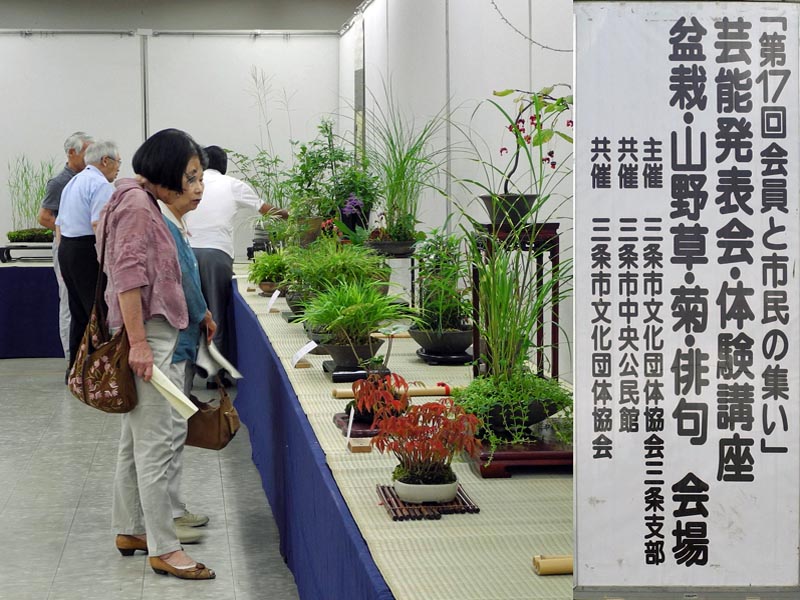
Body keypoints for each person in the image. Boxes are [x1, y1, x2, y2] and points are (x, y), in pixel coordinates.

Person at [98, 128, 215, 580]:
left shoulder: (138, 201)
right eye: (190, 176)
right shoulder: (136, 206)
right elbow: (127, 276)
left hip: (151, 330)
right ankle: (165, 548)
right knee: (157, 441)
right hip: (149, 331)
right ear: (166, 171)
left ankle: (131, 528)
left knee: (136, 441)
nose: (195, 186)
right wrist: (141, 343)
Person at [184, 145, 287, 387]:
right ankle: (215, 377)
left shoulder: (189, 184)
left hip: (186, 254)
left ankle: (185, 380)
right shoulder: (232, 184)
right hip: (216, 255)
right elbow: (267, 211)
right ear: (224, 165)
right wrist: (292, 215)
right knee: (216, 312)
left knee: (188, 316)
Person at [158, 187, 216, 532]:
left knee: (173, 427)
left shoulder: (173, 224)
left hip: (178, 340)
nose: (198, 188)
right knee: (170, 429)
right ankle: (169, 516)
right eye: (190, 179)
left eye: (200, 179)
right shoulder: (165, 225)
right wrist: (203, 313)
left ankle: (172, 510)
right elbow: (184, 283)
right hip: (172, 342)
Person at [57, 140, 120, 372]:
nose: (118, 168)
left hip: (67, 249)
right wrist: (110, 261)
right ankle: (99, 371)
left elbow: (58, 225)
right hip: (87, 251)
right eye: (118, 162)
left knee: (79, 313)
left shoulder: (73, 182)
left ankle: (75, 369)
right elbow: (98, 225)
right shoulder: (100, 184)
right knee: (98, 311)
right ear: (105, 160)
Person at [37, 131, 94, 364]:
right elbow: (44, 217)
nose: (91, 157)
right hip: (67, 247)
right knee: (69, 302)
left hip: (80, 248)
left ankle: (85, 357)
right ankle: (72, 359)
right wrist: (71, 229)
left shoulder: (87, 179)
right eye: (87, 151)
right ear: (72, 153)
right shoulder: (60, 182)